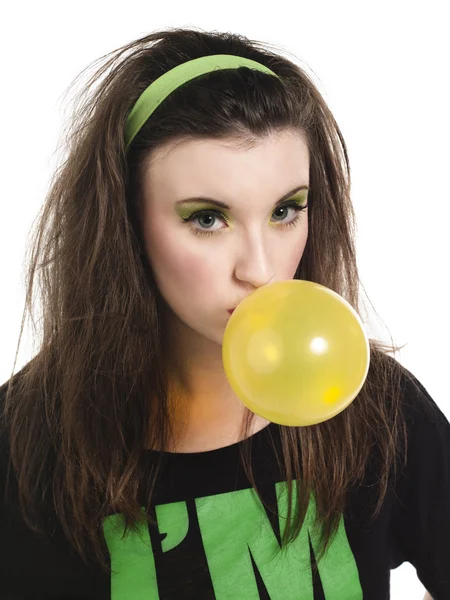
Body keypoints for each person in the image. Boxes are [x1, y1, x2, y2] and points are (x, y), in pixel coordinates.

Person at [0, 26, 448, 600]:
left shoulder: (380, 411)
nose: (260, 269)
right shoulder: (23, 449)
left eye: (286, 210)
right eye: (208, 218)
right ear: (127, 226)